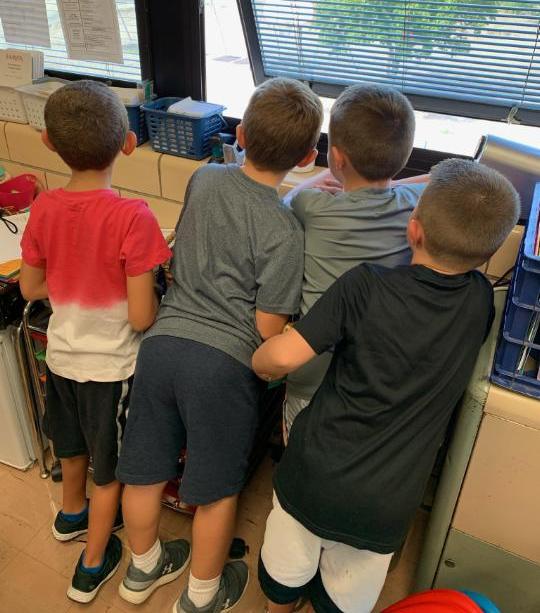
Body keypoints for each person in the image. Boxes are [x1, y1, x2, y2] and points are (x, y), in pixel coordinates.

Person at [252, 158, 520, 613]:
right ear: (488, 254)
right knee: (345, 594)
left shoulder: (365, 286)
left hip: (313, 473)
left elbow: (281, 356)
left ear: (413, 230)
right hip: (387, 500)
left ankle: (283, 599)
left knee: (286, 567)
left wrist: (261, 361)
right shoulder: (480, 303)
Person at [116, 77, 323, 612]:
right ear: (307, 157)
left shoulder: (205, 179)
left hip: (160, 347)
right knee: (214, 490)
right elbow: (266, 329)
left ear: (241, 134)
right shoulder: (285, 231)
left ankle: (142, 570)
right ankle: (202, 597)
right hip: (221, 365)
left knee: (142, 468)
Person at [19, 80, 171, 603]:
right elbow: (141, 315)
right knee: (111, 472)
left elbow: (31, 287)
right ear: (128, 143)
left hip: (59, 357)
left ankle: (70, 516)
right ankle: (92, 562)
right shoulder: (134, 217)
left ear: (48, 143)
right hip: (111, 370)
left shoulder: (43, 208)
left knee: (72, 446)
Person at [283, 83, 429, 440]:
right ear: (404, 153)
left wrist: (326, 176)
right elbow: (442, 177)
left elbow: (288, 200)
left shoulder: (313, 207)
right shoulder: (414, 201)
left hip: (310, 369)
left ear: (337, 157)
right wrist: (398, 186)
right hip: (372, 377)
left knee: (301, 455)